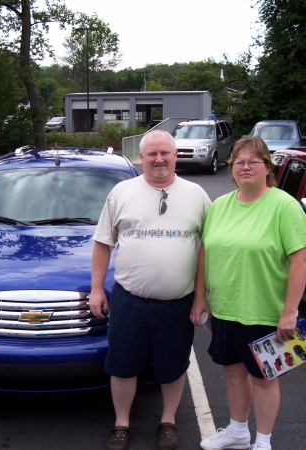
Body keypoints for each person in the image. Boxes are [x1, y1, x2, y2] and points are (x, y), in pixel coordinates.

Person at [191, 136, 306, 450]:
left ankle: (263, 441)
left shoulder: (283, 206)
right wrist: (200, 296)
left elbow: (300, 261)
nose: (245, 167)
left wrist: (290, 312)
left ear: (267, 168)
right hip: (224, 308)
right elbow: (205, 252)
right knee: (234, 373)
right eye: (239, 161)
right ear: (232, 167)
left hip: (264, 311)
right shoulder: (220, 206)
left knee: (263, 378)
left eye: (253, 161)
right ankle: (237, 432)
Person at [90, 129, 211, 450]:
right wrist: (96, 289)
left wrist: (201, 298)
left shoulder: (197, 195)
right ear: (141, 157)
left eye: (165, 153)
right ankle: (122, 423)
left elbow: (207, 248)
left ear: (175, 156)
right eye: (152, 154)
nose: (159, 159)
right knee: (122, 366)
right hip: (129, 301)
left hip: (178, 303)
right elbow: (102, 243)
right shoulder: (121, 192)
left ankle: (168, 421)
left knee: (173, 367)